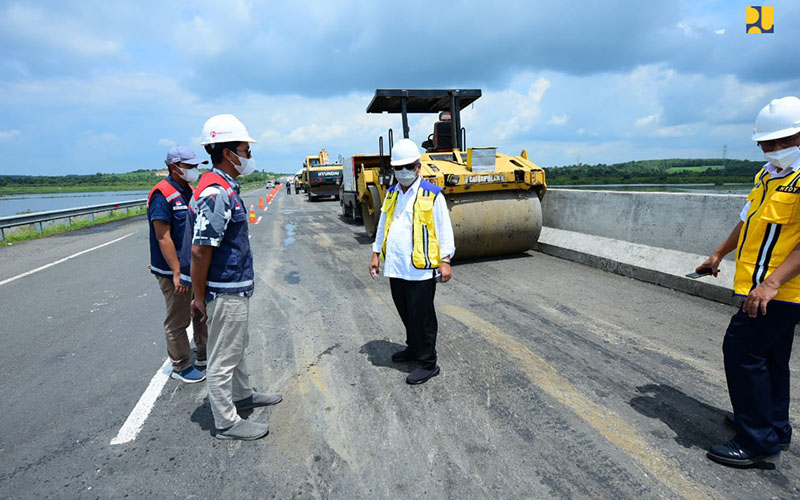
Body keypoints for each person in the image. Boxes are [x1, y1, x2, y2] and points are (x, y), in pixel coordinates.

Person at [699, 96, 800, 466]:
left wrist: (771, 285)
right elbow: (748, 221)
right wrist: (718, 253)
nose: (772, 149)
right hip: (760, 288)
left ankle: (757, 441)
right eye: (766, 143)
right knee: (771, 358)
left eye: (781, 142)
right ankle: (774, 426)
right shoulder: (767, 175)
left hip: (782, 291)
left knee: (741, 351)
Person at [180, 114, 282, 441]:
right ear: (228, 153)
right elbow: (200, 251)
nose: (249, 157)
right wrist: (199, 299)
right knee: (223, 357)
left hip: (233, 285)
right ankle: (226, 422)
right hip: (224, 290)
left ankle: (243, 394)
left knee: (237, 346)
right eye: (245, 150)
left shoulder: (223, 186)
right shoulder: (216, 192)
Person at [368, 139, 455, 385]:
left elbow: (444, 229)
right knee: (405, 311)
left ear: (418, 167)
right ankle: (414, 348)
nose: (402, 172)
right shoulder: (392, 193)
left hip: (421, 269)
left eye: (408, 166)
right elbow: (383, 224)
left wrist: (445, 260)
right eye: (398, 168)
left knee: (422, 316)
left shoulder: (432, 194)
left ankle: (428, 363)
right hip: (396, 266)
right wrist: (376, 254)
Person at [147, 145, 208, 383]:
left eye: (196, 166)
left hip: (192, 266)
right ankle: (181, 365)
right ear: (174, 167)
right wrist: (176, 273)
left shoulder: (188, 190)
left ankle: (203, 354)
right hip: (174, 271)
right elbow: (163, 237)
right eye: (190, 166)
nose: (194, 170)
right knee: (178, 318)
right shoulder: (162, 194)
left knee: (200, 311)